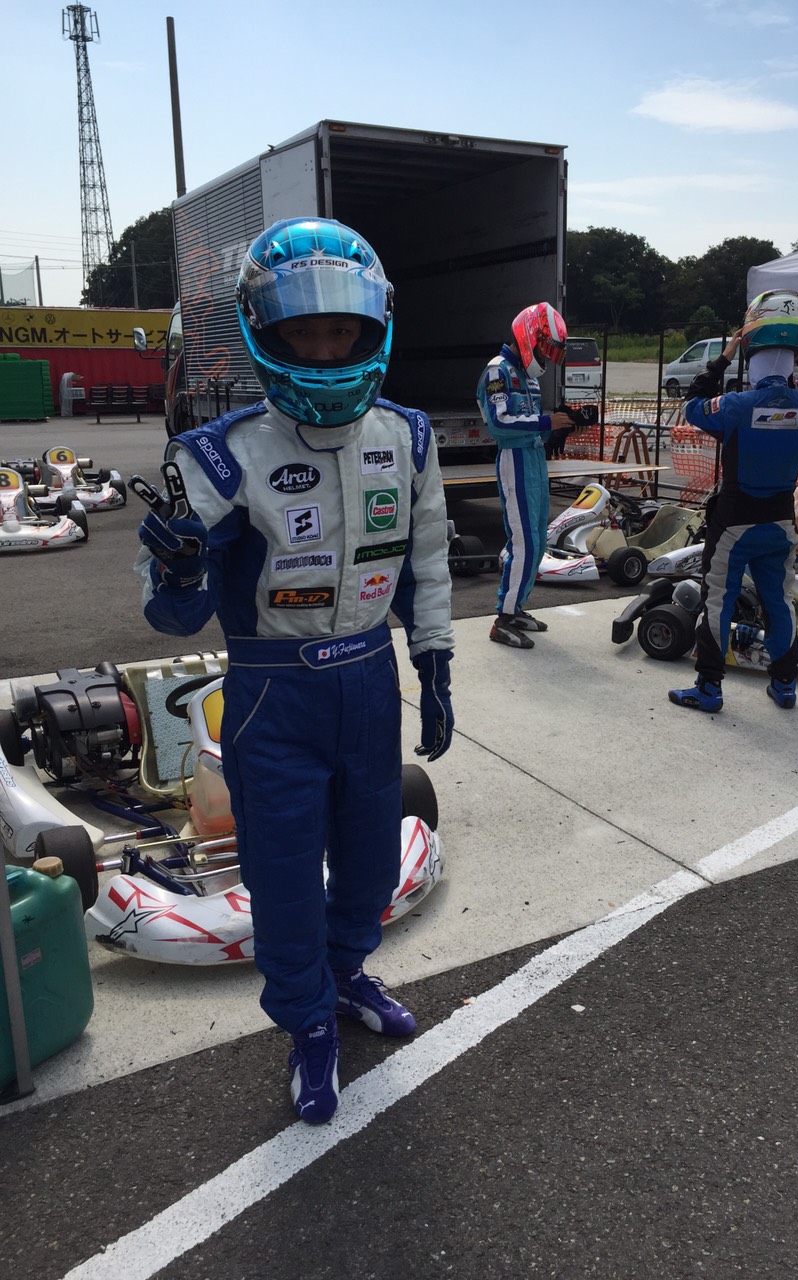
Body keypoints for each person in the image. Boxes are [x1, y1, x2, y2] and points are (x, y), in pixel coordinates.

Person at [133, 218, 455, 1125]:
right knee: (280, 878)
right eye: (303, 332)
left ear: (372, 327)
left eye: (340, 330)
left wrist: (434, 660)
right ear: (264, 333)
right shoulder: (219, 454)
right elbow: (170, 615)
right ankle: (308, 1021)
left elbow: (428, 559)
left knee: (369, 864)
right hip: (273, 694)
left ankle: (346, 975)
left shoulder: (409, 436)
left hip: (371, 682)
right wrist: (180, 570)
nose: (324, 350)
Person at [668, 289, 798, 713]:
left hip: (734, 522)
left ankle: (709, 688)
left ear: (752, 354)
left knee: (717, 601)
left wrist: (722, 359)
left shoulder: (736, 406)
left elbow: (692, 405)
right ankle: (785, 684)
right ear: (793, 355)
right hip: (781, 522)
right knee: (779, 602)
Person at [476, 303, 573, 648]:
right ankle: (503, 617)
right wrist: (546, 422)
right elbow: (499, 423)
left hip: (533, 458)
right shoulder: (497, 371)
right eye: (544, 347)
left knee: (538, 540)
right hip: (514, 460)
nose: (545, 356)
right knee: (524, 541)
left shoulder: (528, 377)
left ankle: (516, 607)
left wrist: (557, 428)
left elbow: (531, 425)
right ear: (530, 336)